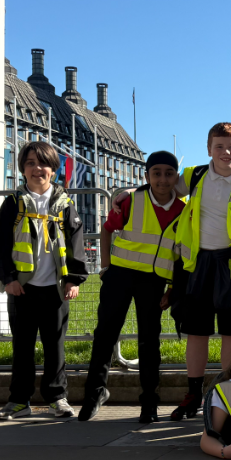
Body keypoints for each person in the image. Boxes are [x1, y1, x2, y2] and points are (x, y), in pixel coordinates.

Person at [80, 151, 185, 424]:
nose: (162, 179)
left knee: (149, 341)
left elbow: (180, 254)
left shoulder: (184, 210)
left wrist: (172, 289)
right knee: (105, 335)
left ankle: (149, 402)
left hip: (154, 281)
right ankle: (94, 395)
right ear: (146, 176)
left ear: (176, 177)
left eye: (169, 173)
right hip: (120, 276)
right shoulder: (132, 201)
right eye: (156, 173)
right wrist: (105, 268)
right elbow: (107, 229)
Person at [0, 141, 88, 420]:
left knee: (55, 347)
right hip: (22, 289)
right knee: (22, 348)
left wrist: (73, 280)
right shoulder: (12, 203)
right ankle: (19, 401)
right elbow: (1, 246)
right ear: (22, 169)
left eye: (43, 163)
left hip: (56, 290)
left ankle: (57, 398)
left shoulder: (65, 205)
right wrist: (9, 279)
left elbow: (76, 245)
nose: (37, 169)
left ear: (53, 169)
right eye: (30, 163)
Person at [167, 123, 231, 420]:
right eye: (219, 146)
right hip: (197, 265)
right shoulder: (193, 176)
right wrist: (127, 193)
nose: (225, 152)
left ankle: (229, 395)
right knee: (197, 332)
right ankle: (193, 394)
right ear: (208, 149)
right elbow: (161, 188)